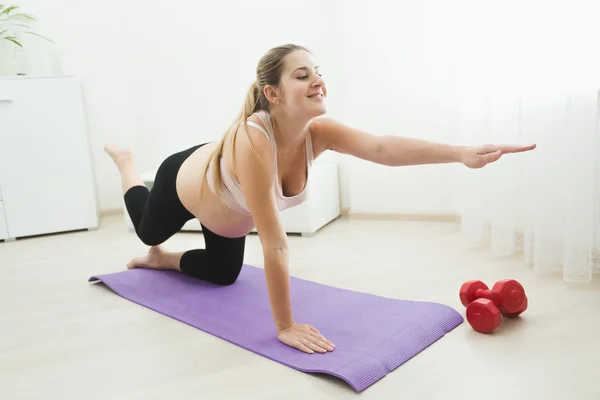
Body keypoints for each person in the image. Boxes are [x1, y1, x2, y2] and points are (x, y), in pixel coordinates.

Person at [104, 44, 536, 355]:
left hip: (223, 210)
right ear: (272, 93)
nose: (317, 80)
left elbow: (383, 149)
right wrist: (285, 326)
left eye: (317, 70)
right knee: (147, 230)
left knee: (223, 274)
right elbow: (272, 240)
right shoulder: (254, 140)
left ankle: (163, 261)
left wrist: (460, 154)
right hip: (183, 181)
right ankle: (126, 163)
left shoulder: (319, 133)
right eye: (302, 74)